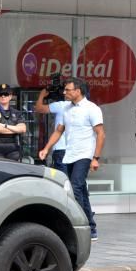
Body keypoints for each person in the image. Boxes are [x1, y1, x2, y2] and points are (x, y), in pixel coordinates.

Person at [38, 77, 105, 241]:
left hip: (84, 154)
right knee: (79, 190)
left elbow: (100, 134)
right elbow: (59, 131)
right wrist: (46, 149)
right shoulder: (66, 109)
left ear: (78, 91)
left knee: (75, 187)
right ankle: (91, 227)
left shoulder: (92, 109)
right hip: (69, 154)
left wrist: (95, 158)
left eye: (68, 90)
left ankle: (80, 229)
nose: (64, 92)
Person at [34, 85, 71, 175]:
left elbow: (39, 108)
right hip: (76, 150)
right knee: (76, 181)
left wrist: (41, 95)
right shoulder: (86, 108)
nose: (64, 93)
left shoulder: (61, 105)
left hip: (61, 148)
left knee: (63, 180)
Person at [0, 83, 26, 160]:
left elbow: (23, 129)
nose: (3, 96)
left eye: (5, 94)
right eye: (0, 94)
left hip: (13, 148)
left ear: (10, 96)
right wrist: (15, 129)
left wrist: (5, 126)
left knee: (13, 171)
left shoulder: (17, 113)